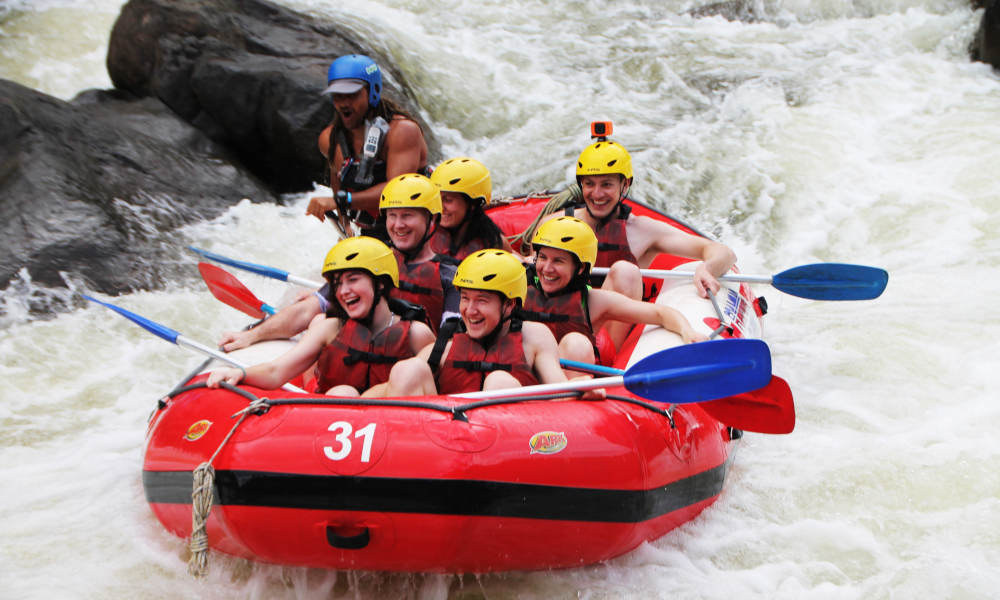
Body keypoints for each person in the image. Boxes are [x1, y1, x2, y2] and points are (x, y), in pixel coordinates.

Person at [217, 173, 458, 351]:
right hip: (362, 360)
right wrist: (253, 335)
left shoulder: (450, 275)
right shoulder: (369, 260)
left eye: (408, 216)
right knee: (320, 320)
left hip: (413, 371)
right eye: (392, 216)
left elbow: (451, 342)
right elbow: (308, 309)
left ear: (432, 220)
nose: (398, 225)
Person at [540, 137, 736, 348]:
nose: (596, 194)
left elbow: (722, 252)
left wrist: (707, 268)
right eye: (589, 184)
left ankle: (606, 363)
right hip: (555, 324)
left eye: (606, 184)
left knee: (625, 271)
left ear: (625, 185)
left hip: (603, 337)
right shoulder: (552, 224)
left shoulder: (644, 230)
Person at [206, 237, 434, 396]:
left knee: (409, 371)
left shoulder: (416, 334)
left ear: (381, 283)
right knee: (342, 393)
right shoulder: (330, 328)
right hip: (334, 421)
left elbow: (436, 392)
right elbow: (276, 371)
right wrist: (239, 373)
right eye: (337, 284)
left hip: (395, 431)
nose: (344, 291)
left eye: (353, 279)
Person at [384, 249, 602, 397]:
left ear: (509, 305)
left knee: (499, 382)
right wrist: (351, 397)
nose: (470, 310)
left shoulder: (534, 337)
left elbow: (557, 389)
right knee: (408, 369)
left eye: (482, 300)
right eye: (465, 298)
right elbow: (391, 387)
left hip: (512, 446)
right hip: (447, 445)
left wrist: (577, 388)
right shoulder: (448, 343)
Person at [521, 216, 706, 371]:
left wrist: (687, 331)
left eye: (558, 261)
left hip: (568, 376)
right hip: (526, 370)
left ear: (580, 268)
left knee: (576, 344)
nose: (547, 269)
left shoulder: (596, 302)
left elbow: (661, 314)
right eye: (543, 258)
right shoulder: (520, 288)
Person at [306, 54, 430, 235]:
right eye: (337, 96)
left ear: (373, 92)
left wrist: (343, 200)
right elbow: (337, 189)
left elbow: (399, 193)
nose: (343, 104)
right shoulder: (330, 139)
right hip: (372, 230)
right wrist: (346, 227)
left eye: (352, 95)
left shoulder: (402, 131)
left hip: (417, 229)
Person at [428, 157, 513, 259]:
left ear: (472, 204)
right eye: (437, 199)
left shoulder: (494, 244)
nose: (440, 207)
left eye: (448, 200)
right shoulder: (424, 235)